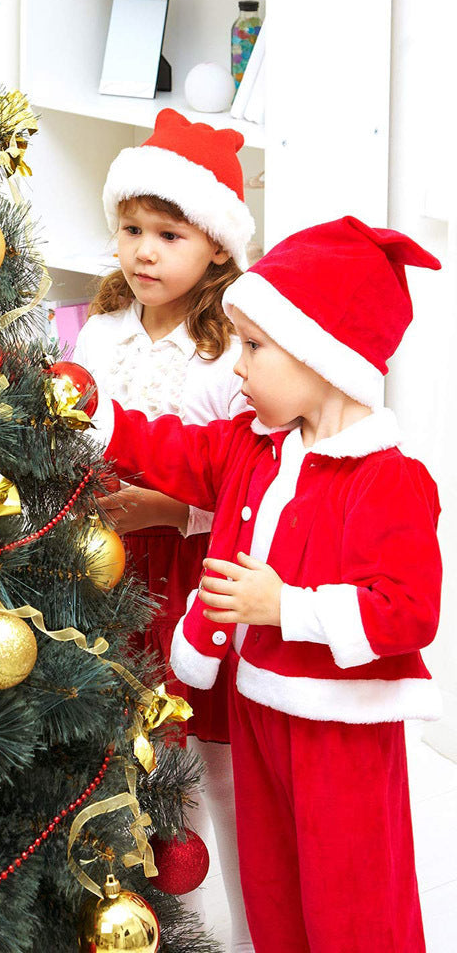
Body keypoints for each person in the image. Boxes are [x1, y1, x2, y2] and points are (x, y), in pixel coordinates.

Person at [102, 216, 442, 951]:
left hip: (339, 731)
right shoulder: (250, 446)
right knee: (271, 882)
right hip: (258, 708)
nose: (236, 368)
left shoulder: (389, 480)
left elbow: (409, 611)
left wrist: (284, 605)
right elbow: (171, 450)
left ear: (325, 357)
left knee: (351, 892)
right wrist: (97, 417)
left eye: (254, 347)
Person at [72, 107, 255, 947]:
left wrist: (171, 509)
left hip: (178, 567)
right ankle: (102, 893)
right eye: (131, 229)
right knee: (97, 726)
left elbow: (246, 480)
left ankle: (190, 909)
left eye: (168, 235)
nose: (143, 251)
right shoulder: (100, 332)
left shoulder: (228, 357)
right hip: (91, 561)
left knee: (175, 741)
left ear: (215, 247)